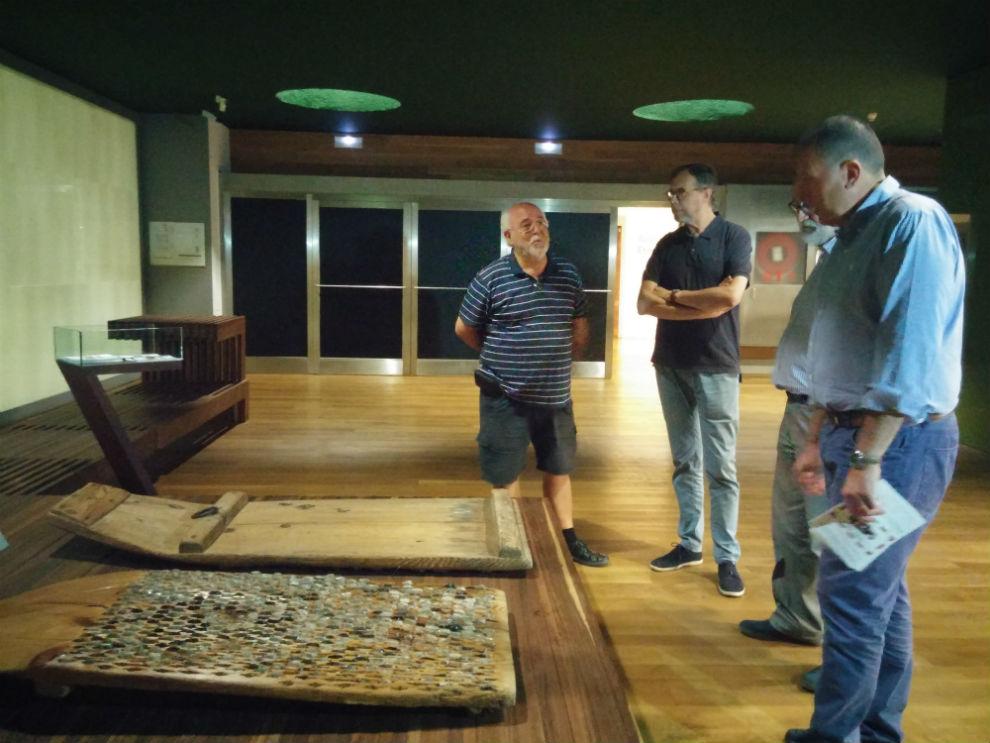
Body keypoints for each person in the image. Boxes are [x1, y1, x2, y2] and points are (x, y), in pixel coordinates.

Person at [784, 115, 964, 743]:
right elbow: (836, 349)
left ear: (851, 171)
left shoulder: (912, 222)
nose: (799, 194)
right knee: (879, 593)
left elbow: (908, 357)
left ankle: (837, 737)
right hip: (855, 437)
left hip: (896, 445)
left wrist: (866, 459)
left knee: (854, 595)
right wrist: (816, 436)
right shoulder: (851, 236)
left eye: (807, 179)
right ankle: (877, 731)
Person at [455, 201, 608, 567]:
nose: (537, 229)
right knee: (505, 474)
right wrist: (498, 356)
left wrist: (566, 357)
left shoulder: (567, 274)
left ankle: (567, 540)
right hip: (504, 396)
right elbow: (464, 327)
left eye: (541, 222)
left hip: (555, 397)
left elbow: (579, 321)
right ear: (508, 236)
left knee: (559, 469)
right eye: (526, 225)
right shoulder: (491, 277)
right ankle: (513, 544)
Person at [637, 163, 752, 597]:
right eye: (670, 193)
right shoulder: (667, 245)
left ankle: (727, 556)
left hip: (717, 365)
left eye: (680, 191)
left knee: (721, 467)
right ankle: (689, 544)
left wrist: (675, 297)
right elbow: (643, 303)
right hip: (670, 364)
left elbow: (730, 296)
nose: (673, 199)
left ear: (706, 193)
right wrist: (701, 305)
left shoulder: (734, 238)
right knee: (685, 460)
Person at [738, 211, 836, 646]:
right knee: (791, 527)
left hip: (828, 418)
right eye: (798, 205)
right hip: (799, 409)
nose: (802, 215)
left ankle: (846, 657)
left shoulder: (860, 261)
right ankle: (798, 618)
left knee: (835, 536)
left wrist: (822, 432)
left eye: (811, 203)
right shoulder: (829, 262)